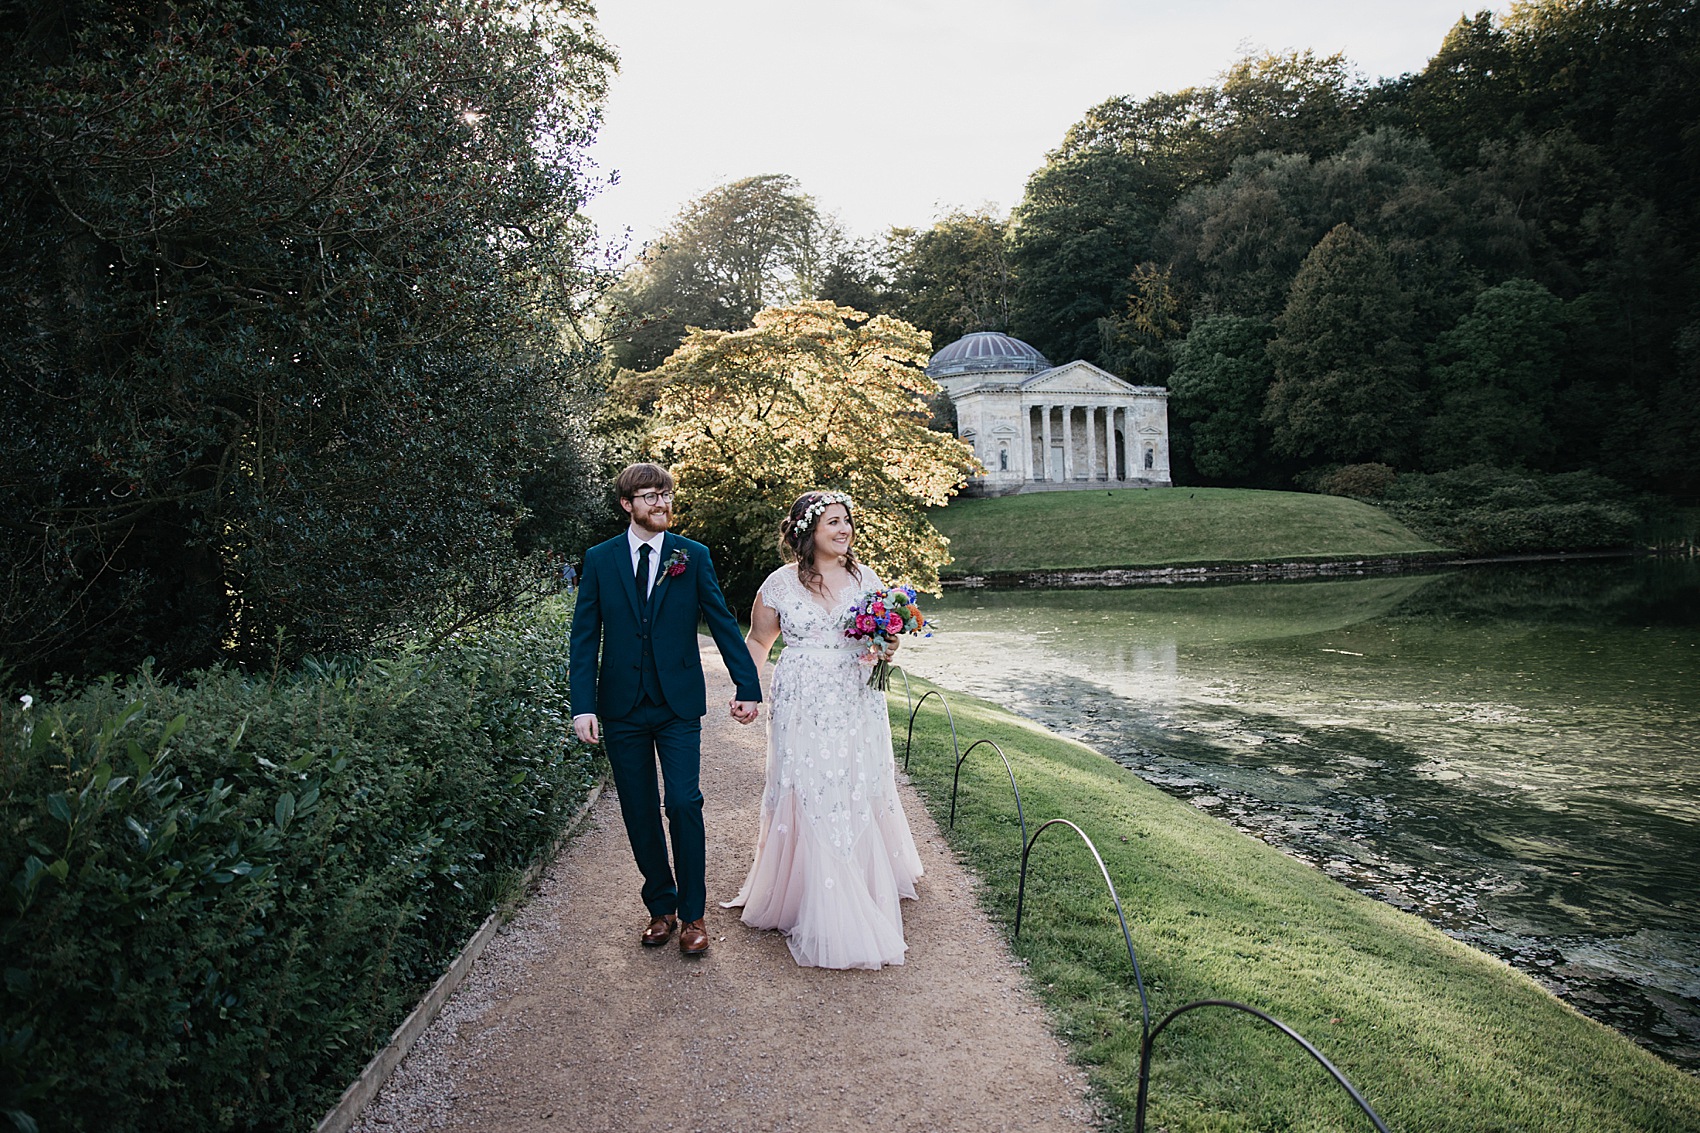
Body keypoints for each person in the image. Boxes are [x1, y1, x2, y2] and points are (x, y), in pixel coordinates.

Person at [722, 490, 924, 969]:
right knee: (808, 785)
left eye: (847, 521)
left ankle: (861, 875)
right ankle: (805, 888)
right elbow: (759, 640)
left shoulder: (866, 578)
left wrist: (888, 645)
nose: (844, 529)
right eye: (833, 522)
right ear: (808, 530)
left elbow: (882, 639)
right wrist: (746, 690)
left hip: (855, 697)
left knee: (855, 779)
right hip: (802, 700)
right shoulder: (778, 584)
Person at [569, 463, 762, 956]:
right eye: (650, 496)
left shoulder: (691, 557)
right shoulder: (599, 559)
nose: (661, 504)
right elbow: (585, 637)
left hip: (677, 704)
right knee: (638, 810)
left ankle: (694, 915)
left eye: (666, 496)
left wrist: (748, 684)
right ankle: (662, 906)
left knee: (682, 803)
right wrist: (582, 705)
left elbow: (721, 620)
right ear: (627, 505)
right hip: (621, 707)